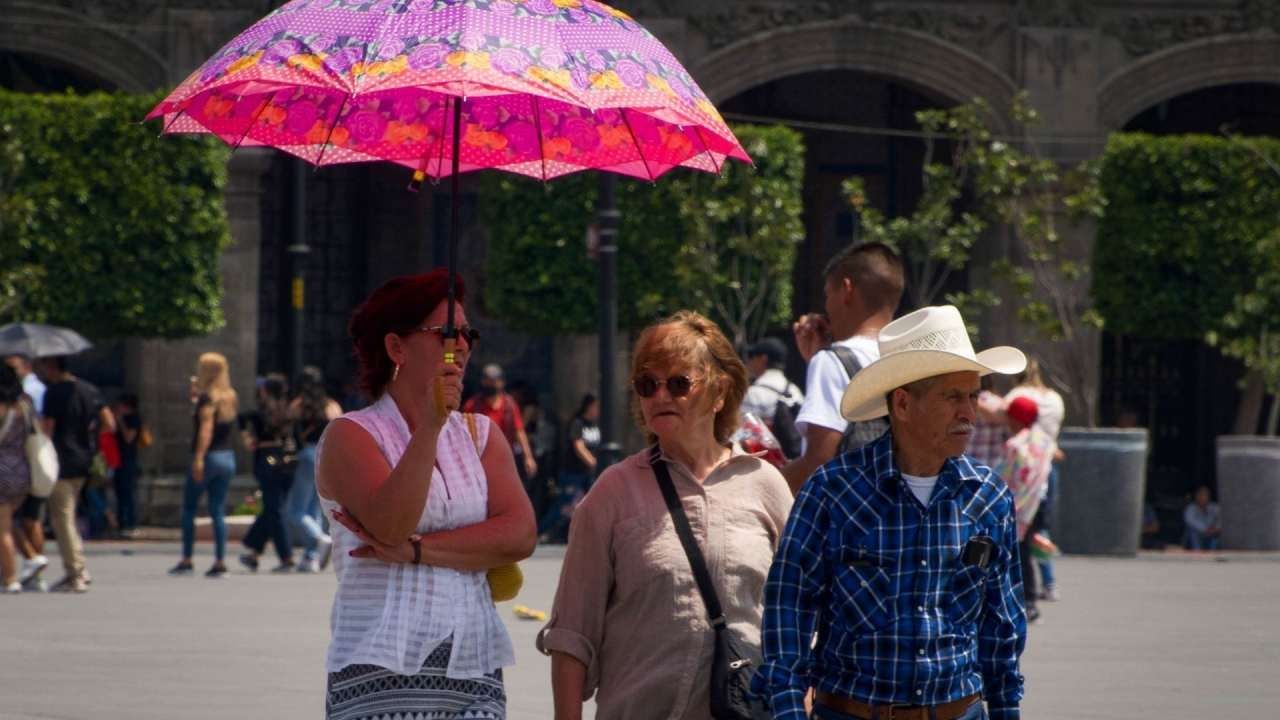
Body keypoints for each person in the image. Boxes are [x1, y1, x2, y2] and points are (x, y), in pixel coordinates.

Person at [756, 304, 1028, 720]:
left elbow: (1001, 623)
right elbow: (789, 610)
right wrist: (789, 710)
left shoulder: (988, 496)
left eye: (972, 396)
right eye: (952, 397)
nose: (969, 414)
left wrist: (1007, 710)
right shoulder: (834, 490)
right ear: (902, 404)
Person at [539, 311, 794, 720]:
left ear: (720, 392)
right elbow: (572, 634)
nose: (660, 396)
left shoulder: (765, 484)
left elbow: (800, 619)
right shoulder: (612, 492)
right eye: (647, 384)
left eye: (678, 383)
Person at [315, 270, 536, 720]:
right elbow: (389, 523)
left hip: (473, 666)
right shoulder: (352, 434)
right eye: (446, 333)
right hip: (379, 671)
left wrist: (418, 550)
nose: (463, 344)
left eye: (468, 333)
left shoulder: (480, 434)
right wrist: (431, 426)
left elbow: (518, 534)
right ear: (396, 347)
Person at [782, 242, 904, 493]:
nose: (826, 306)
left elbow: (819, 462)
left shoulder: (832, 362)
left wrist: (760, 485)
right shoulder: (913, 359)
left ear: (847, 290)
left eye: (828, 294)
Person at [35, 355, 114, 593]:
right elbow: (109, 423)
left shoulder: (55, 392)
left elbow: (47, 430)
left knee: (62, 519)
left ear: (53, 367)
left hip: (60, 459)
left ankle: (75, 573)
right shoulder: (90, 390)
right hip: (85, 460)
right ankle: (79, 567)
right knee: (69, 515)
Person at [170, 353, 238, 578]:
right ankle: (220, 560)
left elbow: (206, 429)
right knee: (217, 509)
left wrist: (199, 457)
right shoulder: (229, 396)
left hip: (209, 457)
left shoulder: (207, 398)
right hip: (227, 457)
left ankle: (187, 559)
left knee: (189, 507)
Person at [1003, 359, 1065, 602]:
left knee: (1021, 541)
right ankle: (1049, 582)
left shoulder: (1017, 395)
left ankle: (1024, 593)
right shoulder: (1055, 398)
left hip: (1022, 478)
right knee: (1040, 530)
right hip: (1046, 468)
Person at [993, 396, 1055, 624]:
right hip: (1037, 504)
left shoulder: (1016, 445)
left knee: (1014, 556)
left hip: (1015, 508)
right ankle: (1028, 601)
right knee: (1025, 553)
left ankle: (1022, 601)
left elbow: (1003, 477)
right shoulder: (1045, 442)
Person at [238, 374, 297, 573]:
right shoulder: (289, 410)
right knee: (274, 507)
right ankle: (253, 551)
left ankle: (286, 557)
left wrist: (247, 438)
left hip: (267, 458)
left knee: (274, 509)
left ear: (265, 390)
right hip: (288, 460)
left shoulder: (261, 411)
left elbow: (241, 418)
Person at [287, 366, 340, 573]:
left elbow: (289, 428)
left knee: (295, 510)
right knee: (314, 507)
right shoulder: (331, 405)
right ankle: (311, 557)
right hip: (326, 455)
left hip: (307, 453)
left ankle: (319, 539)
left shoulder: (298, 405)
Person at [537, 393, 600, 544]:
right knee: (563, 505)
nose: (598, 410)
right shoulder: (578, 423)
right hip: (573, 472)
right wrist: (594, 462)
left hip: (587, 475)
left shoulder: (595, 425)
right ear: (588, 407)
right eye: (596, 407)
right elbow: (578, 446)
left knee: (589, 505)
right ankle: (539, 532)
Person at [463, 364, 537, 485]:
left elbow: (519, 431)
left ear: (501, 383)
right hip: (479, 459)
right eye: (487, 381)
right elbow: (462, 433)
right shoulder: (472, 405)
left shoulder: (509, 405)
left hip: (504, 458)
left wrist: (528, 457)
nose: (490, 385)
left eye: (494, 381)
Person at [741, 337, 805, 458]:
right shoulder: (795, 391)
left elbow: (745, 437)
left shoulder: (754, 393)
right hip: (796, 462)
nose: (749, 362)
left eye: (752, 356)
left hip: (766, 464)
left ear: (763, 359)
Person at [0, 364, 33, 593]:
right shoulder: (25, 404)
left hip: (2, 470)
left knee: (2, 530)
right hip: (21, 469)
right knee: (8, 524)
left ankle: (10, 578)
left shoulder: (2, 409)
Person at [113, 393, 143, 539]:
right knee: (120, 491)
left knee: (128, 492)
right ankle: (121, 523)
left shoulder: (133, 419)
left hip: (128, 459)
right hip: (119, 459)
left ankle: (131, 523)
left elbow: (128, 438)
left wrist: (120, 421)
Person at [1183, 486, 1221, 551]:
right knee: (1192, 531)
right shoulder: (1191, 508)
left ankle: (1212, 552)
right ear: (1196, 496)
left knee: (1219, 534)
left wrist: (1216, 528)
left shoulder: (1215, 507)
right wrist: (1205, 529)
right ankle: (1197, 551)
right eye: (1201, 495)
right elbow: (1190, 521)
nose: (1203, 497)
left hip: (1212, 534)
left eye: (1206, 495)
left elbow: (1222, 519)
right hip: (1199, 534)